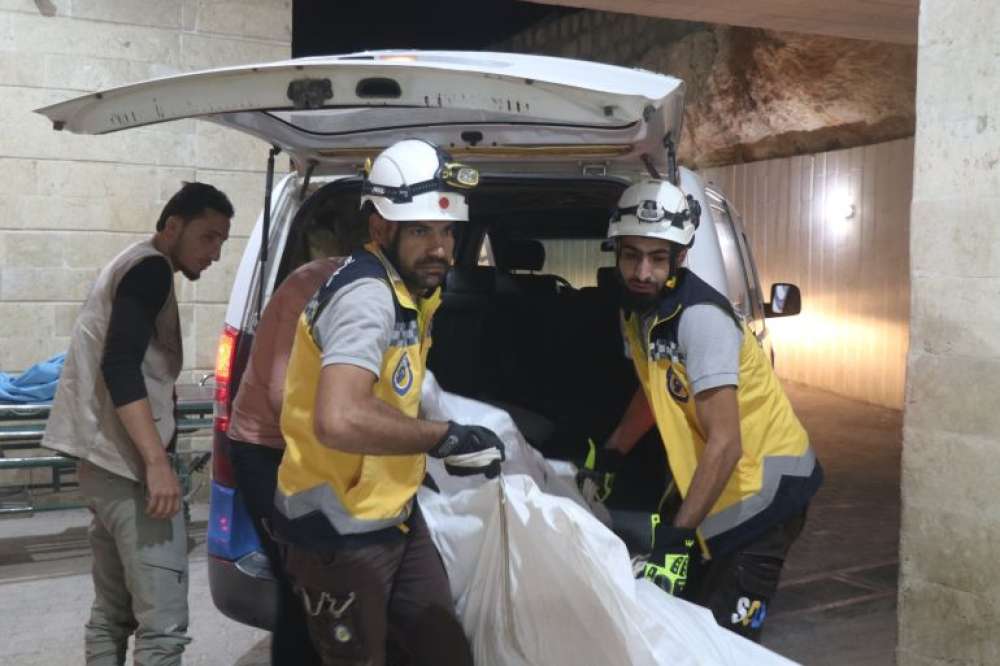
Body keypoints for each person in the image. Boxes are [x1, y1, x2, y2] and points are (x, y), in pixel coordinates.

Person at [273, 138, 505, 666]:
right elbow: (339, 418)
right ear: (381, 229)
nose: (440, 248)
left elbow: (392, 395)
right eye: (421, 230)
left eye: (447, 231)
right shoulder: (367, 297)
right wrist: (441, 438)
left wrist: (427, 453)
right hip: (338, 530)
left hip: (393, 515)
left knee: (444, 651)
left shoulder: (413, 293)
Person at [583, 179, 822, 642]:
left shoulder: (700, 319)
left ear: (680, 258)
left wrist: (678, 537)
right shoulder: (639, 312)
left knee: (727, 640)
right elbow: (656, 389)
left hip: (765, 498)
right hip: (717, 485)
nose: (643, 271)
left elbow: (726, 443)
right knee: (686, 620)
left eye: (658, 258)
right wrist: (613, 451)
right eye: (631, 256)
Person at [42, 182, 233, 665]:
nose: (215, 253)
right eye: (208, 237)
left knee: (111, 614)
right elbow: (120, 365)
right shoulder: (150, 270)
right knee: (162, 627)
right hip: (129, 471)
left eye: (222, 241)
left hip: (101, 465)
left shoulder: (129, 261)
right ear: (173, 226)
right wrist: (156, 464)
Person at [227, 255, 344, 666]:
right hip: (268, 448)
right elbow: (285, 397)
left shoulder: (397, 293)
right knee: (302, 586)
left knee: (316, 588)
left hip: (314, 450)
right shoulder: (313, 286)